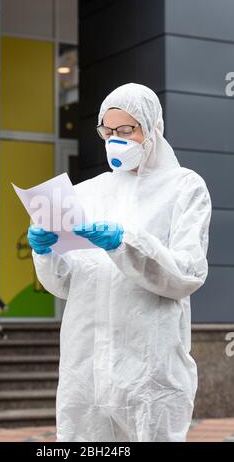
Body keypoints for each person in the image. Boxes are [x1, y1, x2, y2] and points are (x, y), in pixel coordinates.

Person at [27, 83, 212, 442]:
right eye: (107, 131)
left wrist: (123, 243)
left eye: (126, 130)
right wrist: (46, 253)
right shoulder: (88, 192)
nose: (115, 139)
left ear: (152, 128)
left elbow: (187, 274)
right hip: (86, 368)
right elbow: (66, 285)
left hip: (149, 367)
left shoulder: (184, 187)